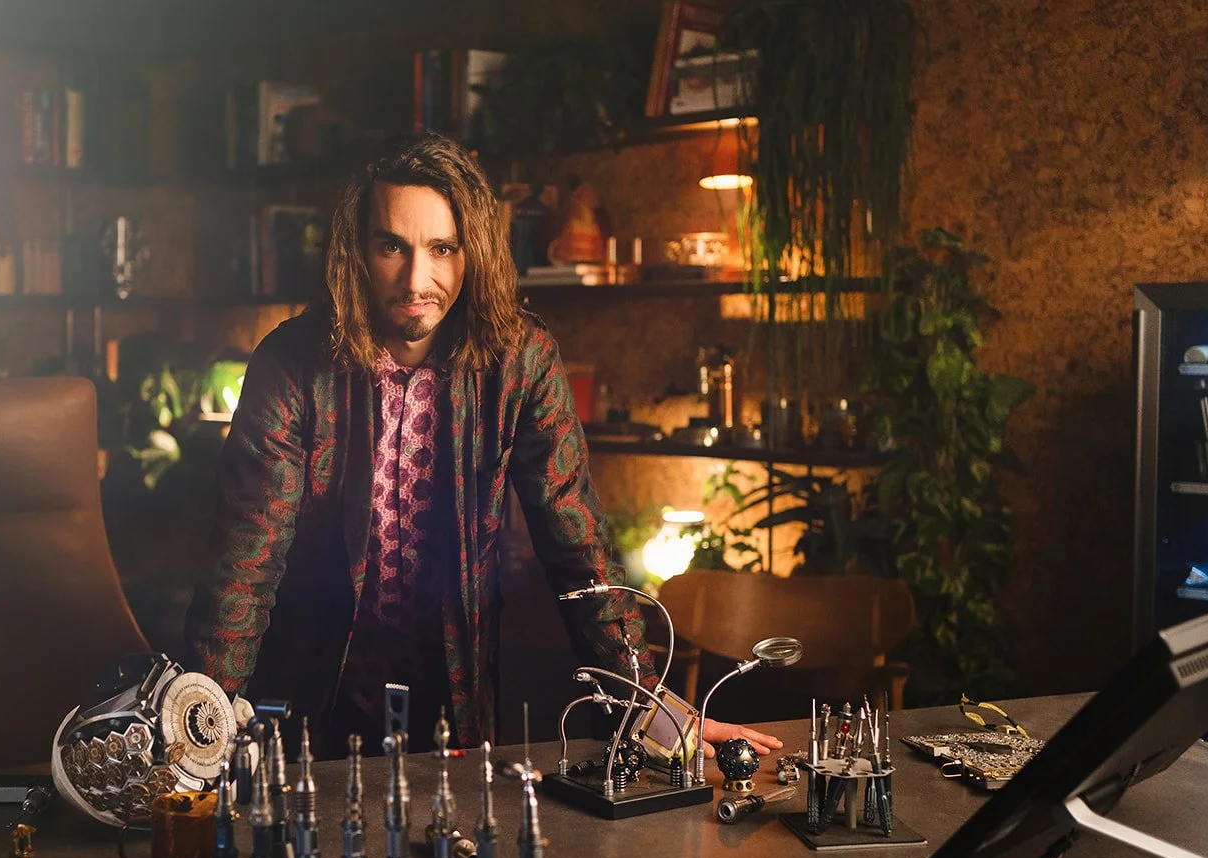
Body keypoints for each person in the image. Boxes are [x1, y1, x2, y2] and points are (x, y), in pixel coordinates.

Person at [184, 132, 779, 761]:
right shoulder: (292, 362)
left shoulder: (520, 359)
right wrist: (196, 726)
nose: (418, 279)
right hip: (313, 697)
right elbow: (246, 559)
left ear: (475, 254)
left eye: (442, 249)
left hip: (457, 697)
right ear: (357, 251)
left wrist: (653, 707)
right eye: (393, 246)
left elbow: (574, 537)